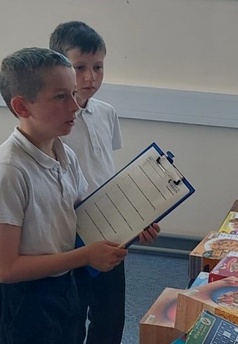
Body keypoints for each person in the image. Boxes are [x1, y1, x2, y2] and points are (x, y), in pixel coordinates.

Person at [0, 47, 128, 344]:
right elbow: (6, 269)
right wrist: (85, 256)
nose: (75, 106)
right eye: (61, 97)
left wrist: (135, 223)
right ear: (22, 107)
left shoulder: (64, 153)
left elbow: (86, 213)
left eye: (73, 94)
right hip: (26, 300)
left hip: (65, 285)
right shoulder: (10, 171)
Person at [49, 21, 160, 344]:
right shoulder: (54, 121)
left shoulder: (107, 113)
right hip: (69, 237)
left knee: (110, 317)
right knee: (71, 317)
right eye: (79, 67)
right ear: (59, 67)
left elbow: (106, 173)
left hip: (111, 235)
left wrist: (139, 217)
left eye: (98, 67)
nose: (90, 78)